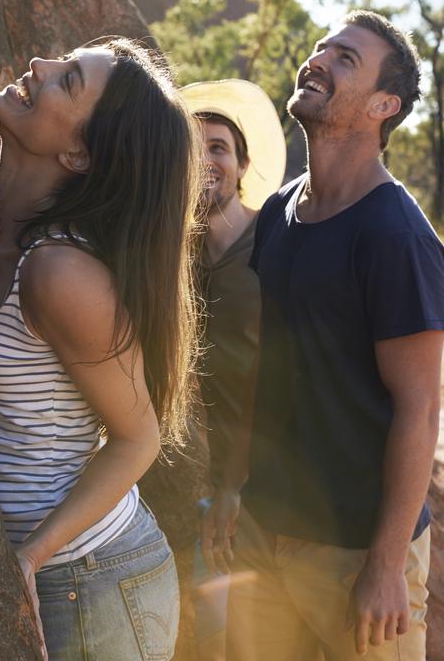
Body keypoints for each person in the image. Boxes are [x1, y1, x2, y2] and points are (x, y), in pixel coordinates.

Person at [0, 37, 203, 661]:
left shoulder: (60, 271)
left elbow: (140, 438)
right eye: (65, 62)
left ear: (79, 151)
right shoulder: (9, 224)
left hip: (89, 582)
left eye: (68, 81)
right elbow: (12, 337)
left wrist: (31, 555)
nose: (41, 65)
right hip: (49, 573)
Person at [219, 10, 444, 661]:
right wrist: (235, 485)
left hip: (357, 552)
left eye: (345, 58)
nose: (317, 59)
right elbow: (270, 365)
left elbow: (420, 408)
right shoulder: (280, 215)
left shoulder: (394, 235)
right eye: (321, 48)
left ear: (384, 105)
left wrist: (386, 563)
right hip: (266, 531)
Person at [179, 80, 286, 661]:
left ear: (243, 164)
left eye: (217, 146)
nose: (205, 159)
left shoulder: (276, 242)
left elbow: (276, 376)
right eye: (191, 147)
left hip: (271, 487)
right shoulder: (176, 255)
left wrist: (235, 486)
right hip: (207, 482)